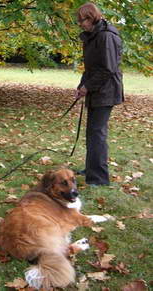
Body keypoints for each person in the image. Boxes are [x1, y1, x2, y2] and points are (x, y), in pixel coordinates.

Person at [75, 2, 124, 186]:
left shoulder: (107, 37)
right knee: (92, 132)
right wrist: (81, 86)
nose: (80, 24)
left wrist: (88, 87)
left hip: (107, 91)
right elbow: (91, 68)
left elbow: (107, 69)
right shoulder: (92, 36)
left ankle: (99, 178)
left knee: (97, 134)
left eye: (83, 20)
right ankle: (91, 168)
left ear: (92, 17)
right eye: (79, 21)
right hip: (96, 89)